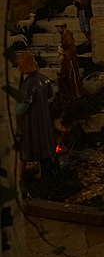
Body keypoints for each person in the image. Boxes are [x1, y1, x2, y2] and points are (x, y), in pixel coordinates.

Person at [16, 50, 58, 183]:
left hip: (31, 122)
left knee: (23, 151)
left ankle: (18, 177)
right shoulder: (43, 79)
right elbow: (50, 95)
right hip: (44, 120)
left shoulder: (28, 84)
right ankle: (41, 172)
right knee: (43, 146)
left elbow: (22, 107)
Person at [55, 23, 84, 100]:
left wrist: (64, 54)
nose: (58, 30)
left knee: (72, 76)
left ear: (63, 28)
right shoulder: (63, 35)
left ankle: (76, 94)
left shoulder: (68, 36)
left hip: (70, 59)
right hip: (66, 59)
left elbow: (72, 49)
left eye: (59, 28)